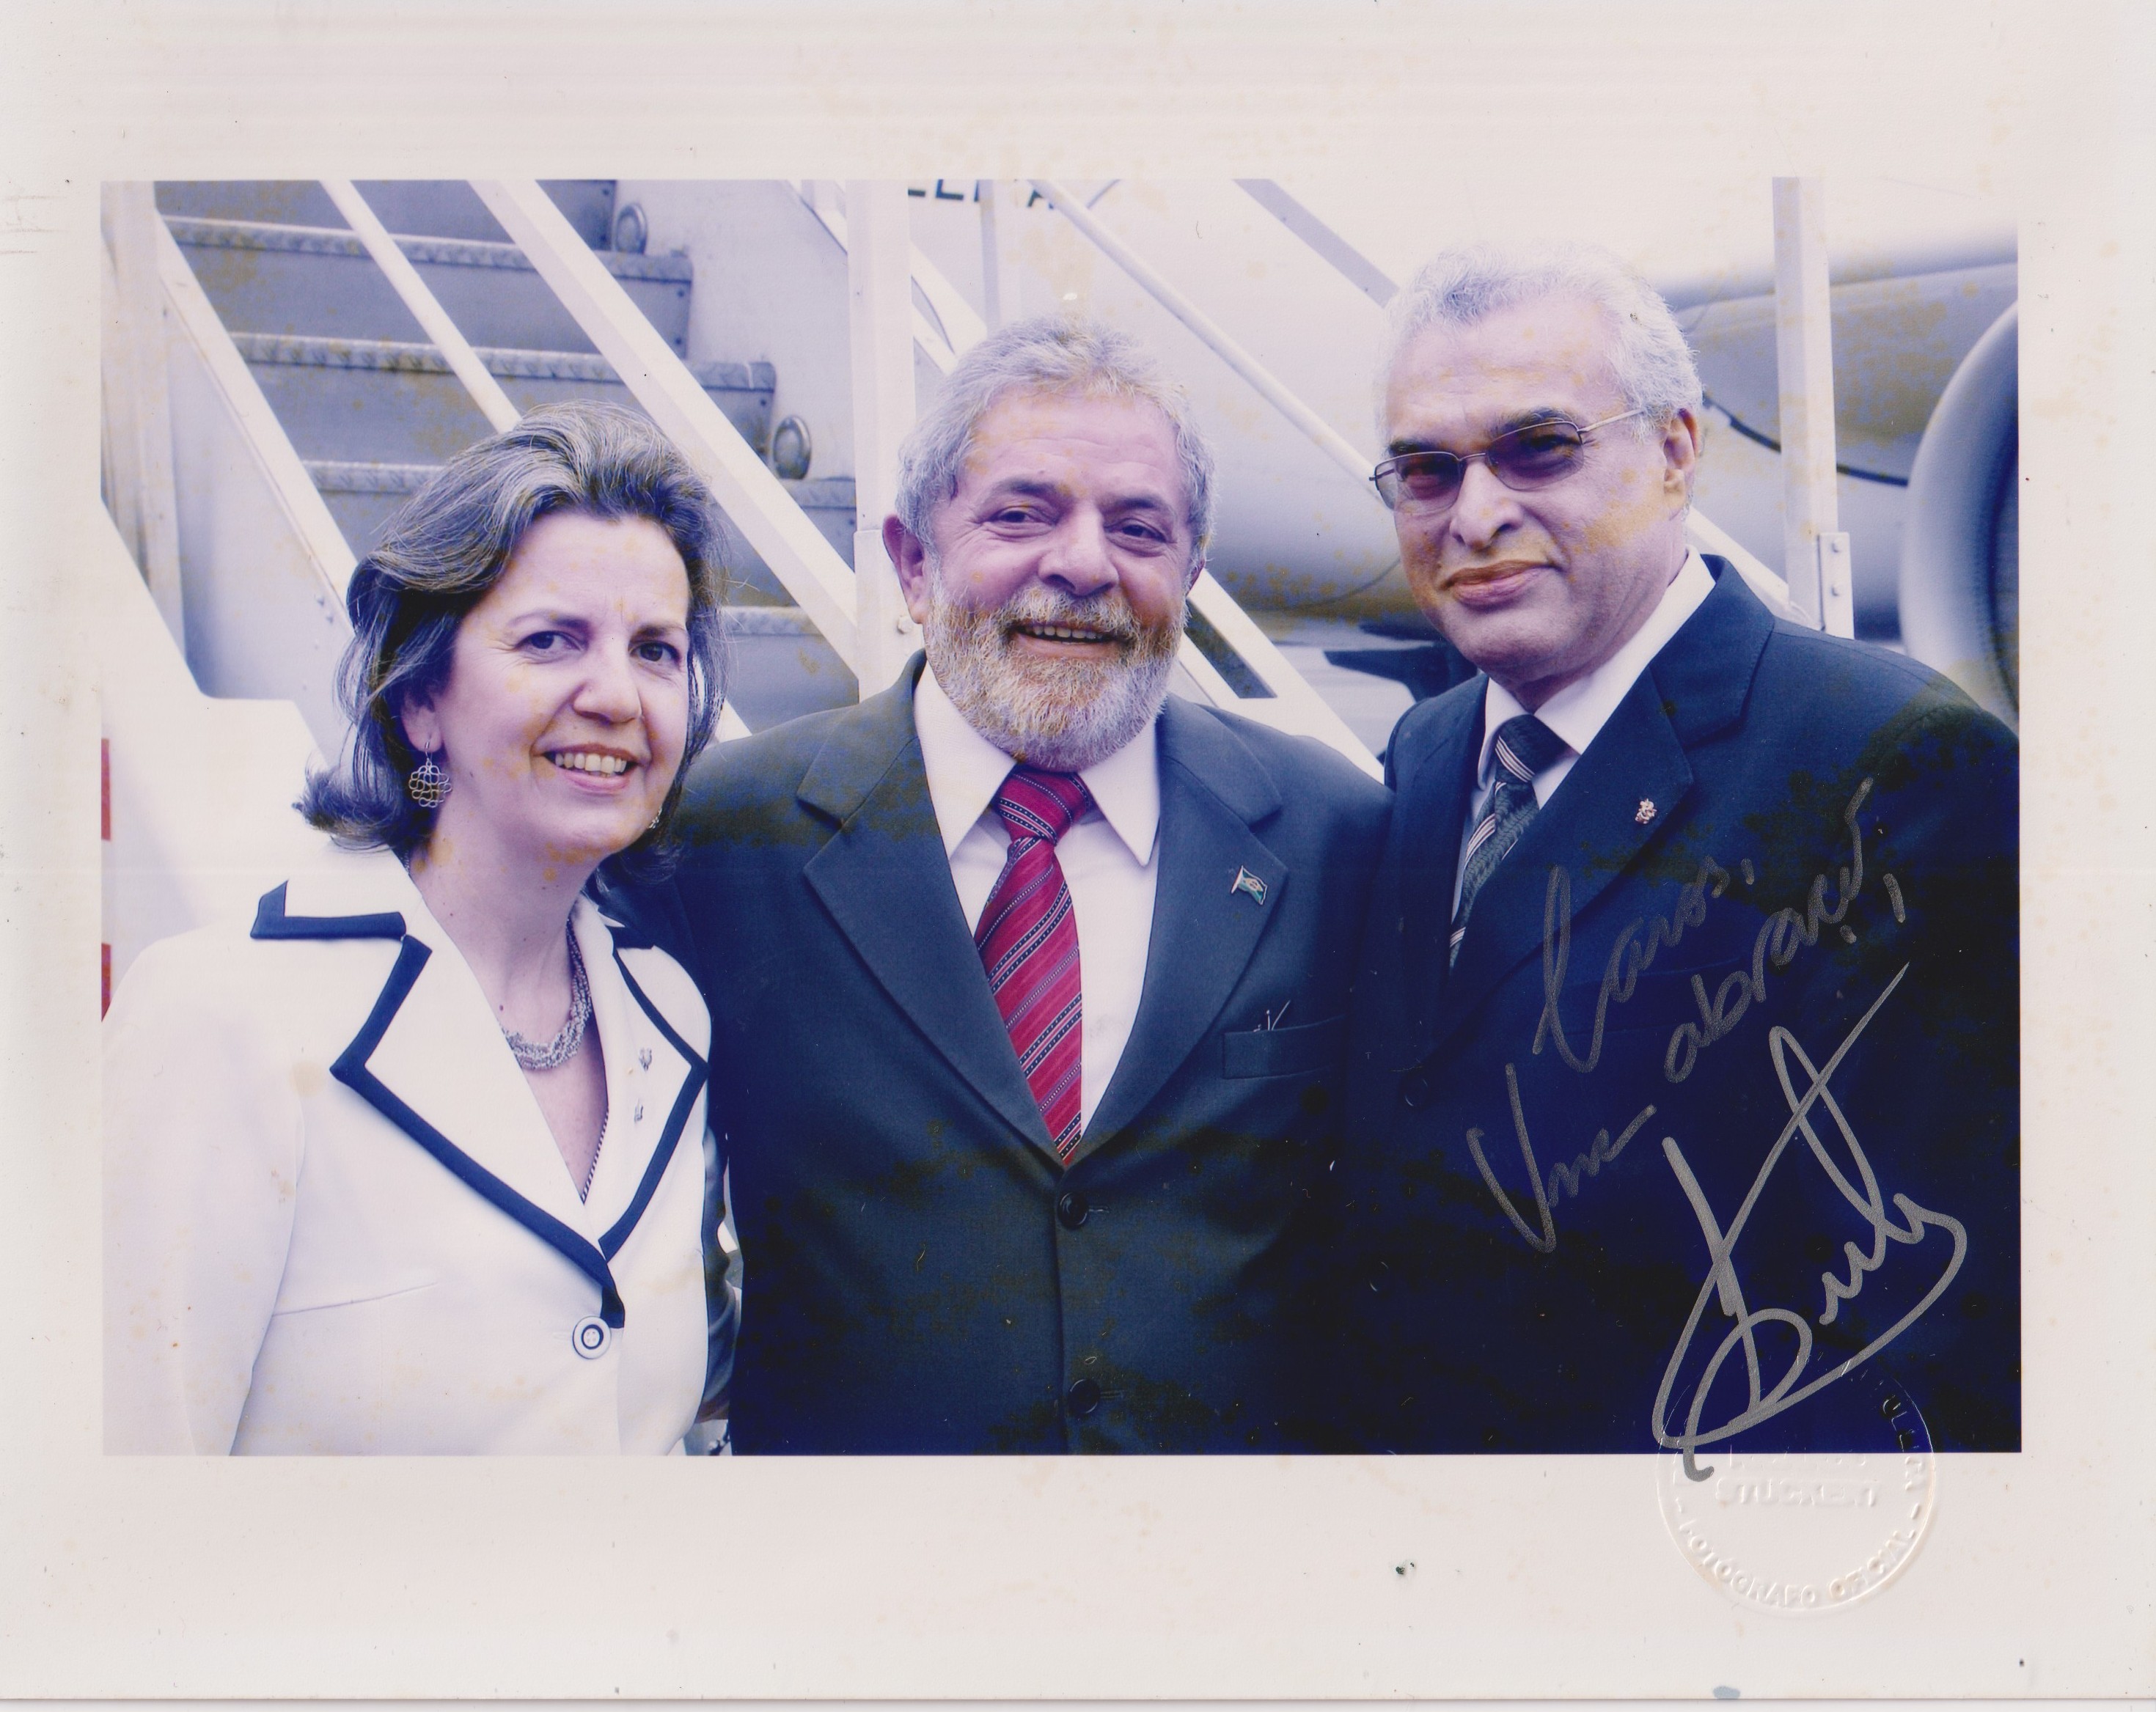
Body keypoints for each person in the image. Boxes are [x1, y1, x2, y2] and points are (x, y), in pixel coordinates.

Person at [633, 315, 1390, 1453]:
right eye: (1021, 515)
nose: (1083, 564)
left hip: (1219, 1550)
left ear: (1190, 572)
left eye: (1138, 527)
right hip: (862, 1550)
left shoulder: (1335, 834)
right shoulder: (724, 835)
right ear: (911, 563)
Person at [1330, 246, 2019, 1458]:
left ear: (1676, 451)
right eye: (1427, 470)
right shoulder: (1429, 753)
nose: (1474, 515)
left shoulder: (1892, 764)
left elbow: (1937, 1315)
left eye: (1540, 447)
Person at [104, 402, 736, 1455]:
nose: (618, 696)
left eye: (656, 650)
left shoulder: (669, 1013)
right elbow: (127, 1489)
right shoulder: (217, 1018)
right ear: (419, 701)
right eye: (551, 640)